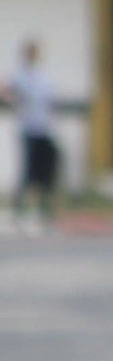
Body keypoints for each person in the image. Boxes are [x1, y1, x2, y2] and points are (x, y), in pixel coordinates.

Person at [0, 39, 59, 227]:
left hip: (44, 127)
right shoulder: (20, 75)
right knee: (27, 171)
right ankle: (19, 210)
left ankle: (44, 210)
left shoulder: (42, 76)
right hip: (27, 128)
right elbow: (6, 90)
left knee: (45, 171)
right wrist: (13, 100)